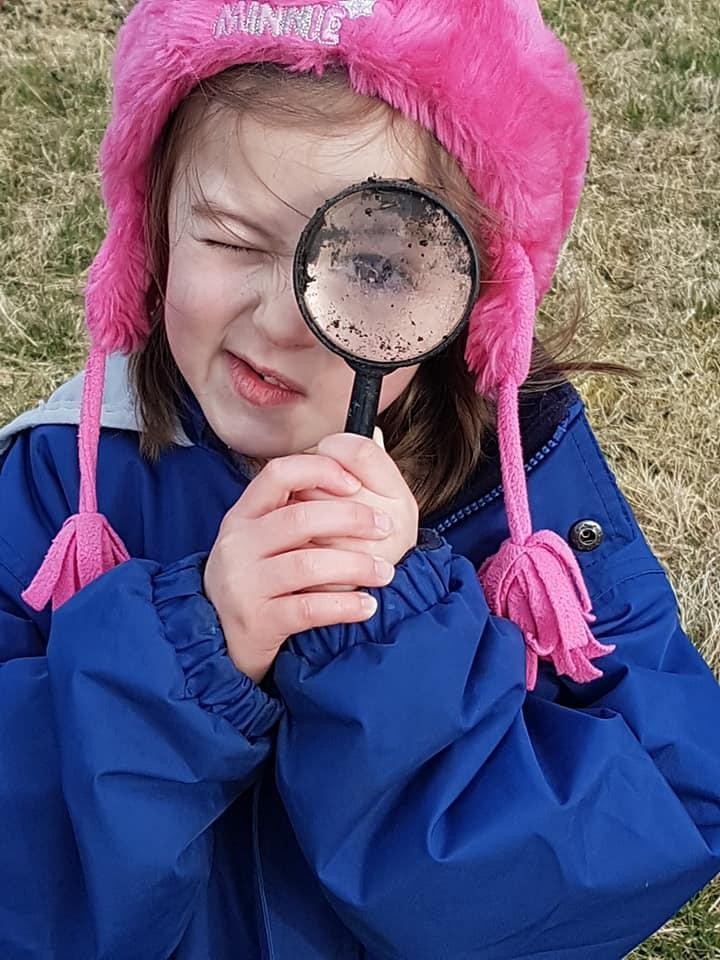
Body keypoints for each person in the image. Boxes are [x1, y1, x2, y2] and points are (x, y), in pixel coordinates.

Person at [0, 0, 718, 957]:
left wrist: (391, 640)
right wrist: (183, 658)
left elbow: (652, 831)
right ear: (151, 239)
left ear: (471, 301)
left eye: (373, 268)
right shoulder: (65, 483)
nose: (284, 318)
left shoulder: (526, 519)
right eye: (230, 241)